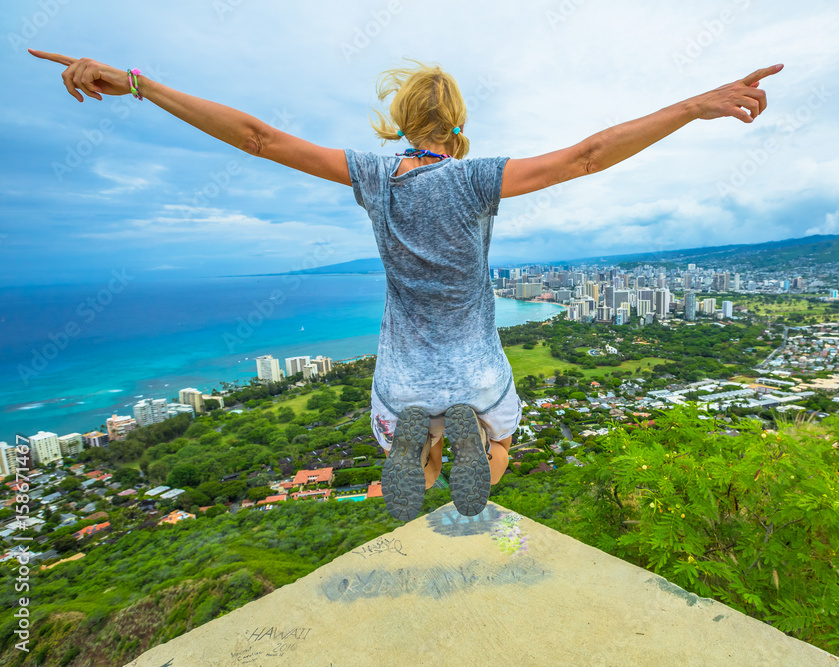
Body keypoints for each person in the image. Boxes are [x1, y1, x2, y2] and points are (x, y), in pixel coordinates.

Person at [29, 49, 782, 522]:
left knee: (415, 447)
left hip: (401, 372)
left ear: (398, 125)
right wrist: (693, 105)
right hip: (476, 368)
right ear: (457, 132)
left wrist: (138, 83)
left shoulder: (372, 175)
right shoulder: (477, 177)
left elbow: (257, 137)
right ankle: (468, 483)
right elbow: (586, 156)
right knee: (497, 444)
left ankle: (423, 476)